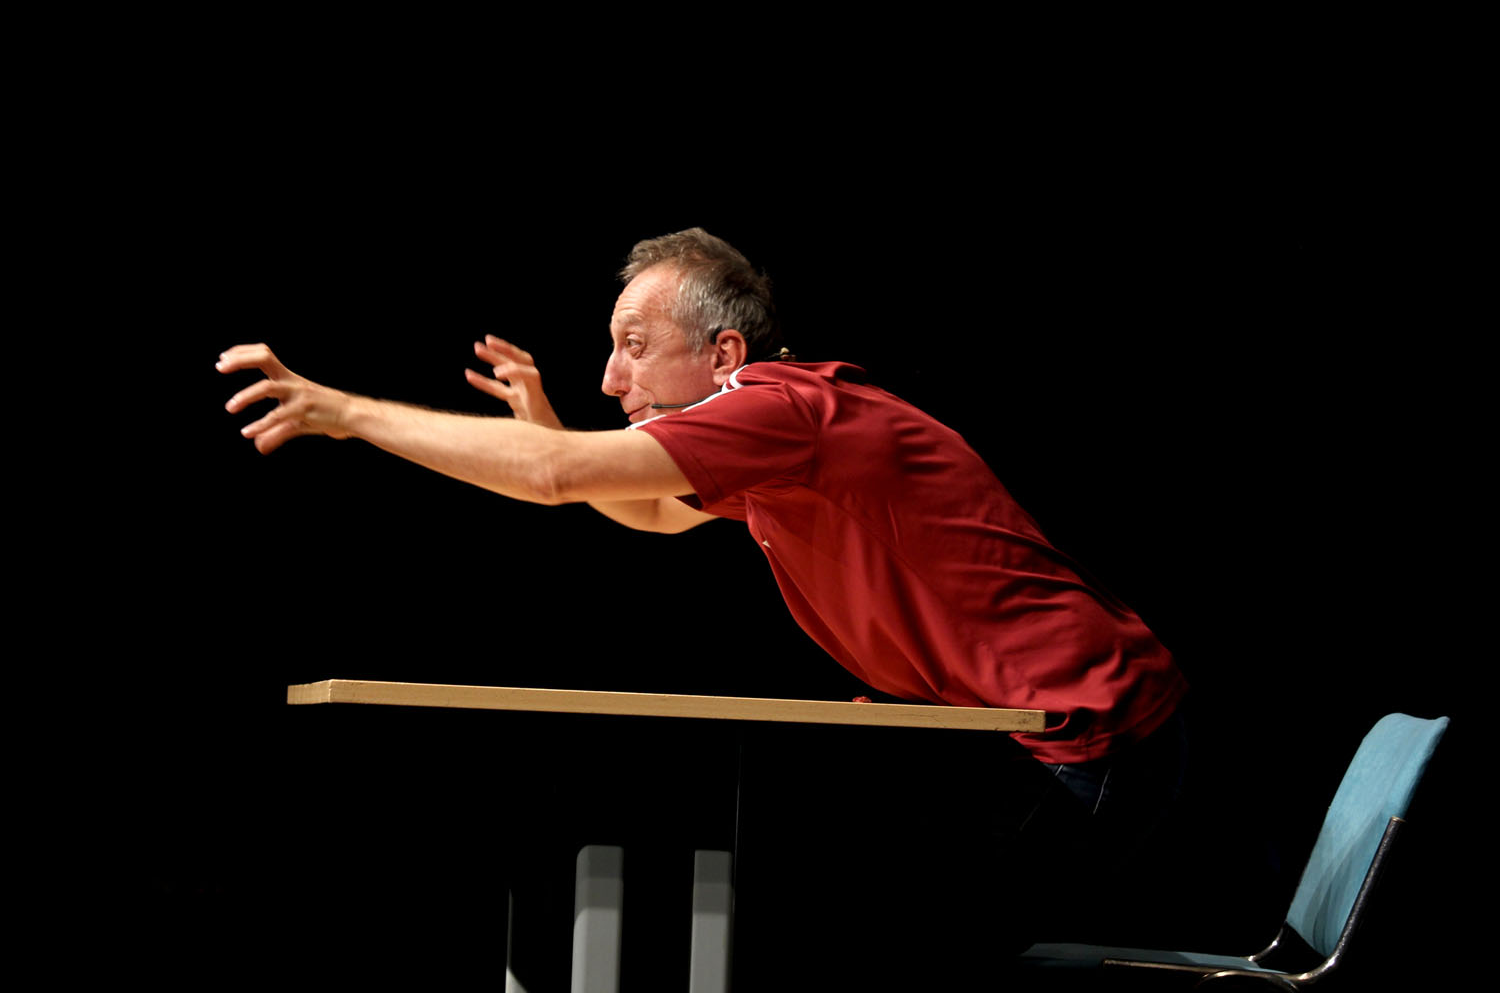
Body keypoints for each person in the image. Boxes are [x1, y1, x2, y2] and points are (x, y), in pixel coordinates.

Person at [219, 228, 1187, 979]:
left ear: (725, 353)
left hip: (1091, 735)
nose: (611, 378)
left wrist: (347, 413)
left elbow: (557, 479)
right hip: (1024, 739)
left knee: (888, 947)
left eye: (635, 347)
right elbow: (646, 510)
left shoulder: (782, 410)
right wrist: (558, 441)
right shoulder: (776, 432)